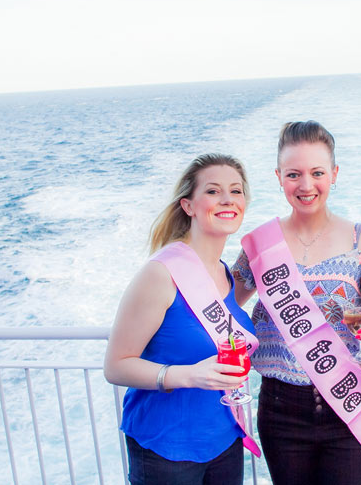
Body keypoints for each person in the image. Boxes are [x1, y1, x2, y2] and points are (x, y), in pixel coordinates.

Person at [232, 120, 361, 485]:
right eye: (294, 174)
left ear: (334, 174)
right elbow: (224, 306)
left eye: (317, 172)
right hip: (281, 410)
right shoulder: (260, 244)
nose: (306, 185)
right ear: (278, 176)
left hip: (353, 403)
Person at [104, 153, 257, 485]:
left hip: (224, 438)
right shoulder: (160, 274)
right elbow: (116, 366)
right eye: (213, 191)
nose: (227, 199)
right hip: (166, 448)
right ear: (188, 205)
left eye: (236, 191)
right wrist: (188, 375)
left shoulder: (225, 274)